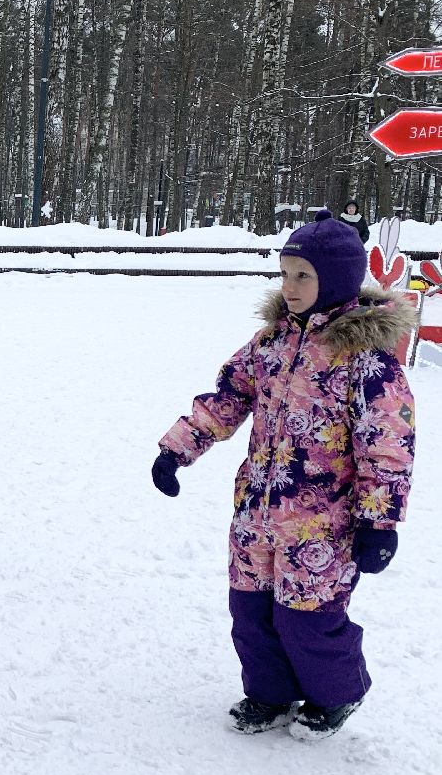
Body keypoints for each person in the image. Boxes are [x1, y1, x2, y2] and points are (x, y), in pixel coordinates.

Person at [151, 209, 414, 741]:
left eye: (303, 276)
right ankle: (269, 693)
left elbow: (387, 445)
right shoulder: (269, 344)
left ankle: (335, 696)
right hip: (258, 508)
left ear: (335, 280)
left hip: (324, 523)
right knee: (250, 610)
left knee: (308, 619)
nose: (289, 287)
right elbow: (226, 399)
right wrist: (178, 449)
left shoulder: (365, 359)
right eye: (285, 273)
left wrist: (379, 522)